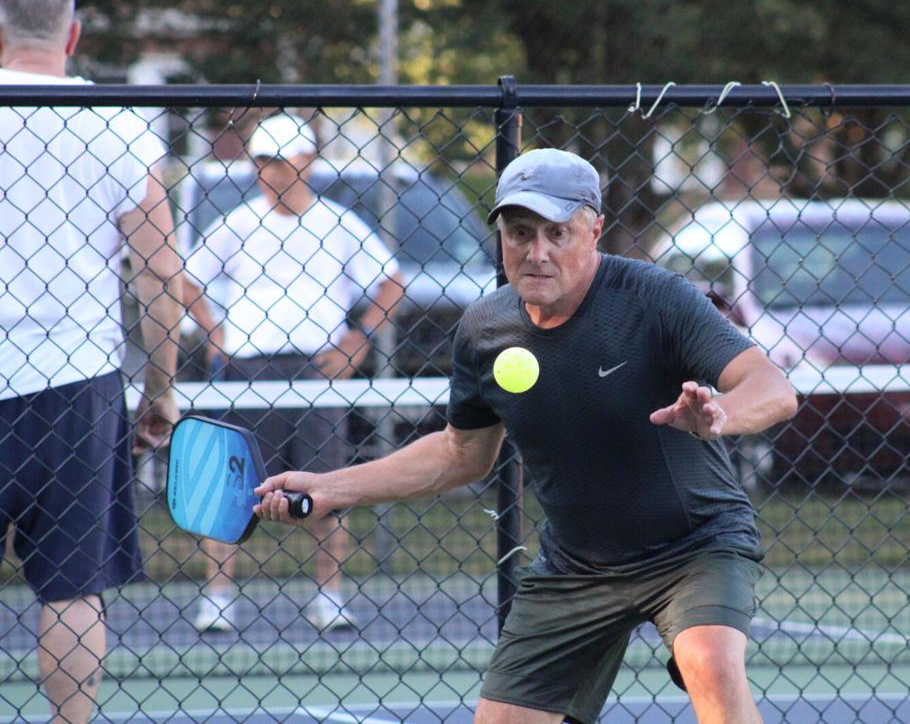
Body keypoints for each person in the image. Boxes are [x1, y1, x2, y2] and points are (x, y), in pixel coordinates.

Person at [256, 148, 799, 723]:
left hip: (694, 545)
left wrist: (721, 412)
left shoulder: (656, 298)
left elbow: (772, 387)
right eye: (519, 233)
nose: (536, 252)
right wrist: (331, 488)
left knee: (708, 660)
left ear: (594, 230)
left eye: (556, 233)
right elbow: (458, 454)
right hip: (578, 566)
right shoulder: (485, 329)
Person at [0, 0, 182, 724]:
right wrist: (161, 389)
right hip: (75, 377)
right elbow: (159, 271)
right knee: (73, 582)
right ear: (72, 35)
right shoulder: (116, 125)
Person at [183, 112, 405, 632]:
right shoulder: (237, 223)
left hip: (314, 371)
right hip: (246, 371)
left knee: (324, 488)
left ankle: (329, 597)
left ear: (306, 162)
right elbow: (186, 281)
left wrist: (358, 342)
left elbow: (390, 282)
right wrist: (213, 333)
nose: (270, 173)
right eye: (262, 162)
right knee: (230, 488)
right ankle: (217, 597)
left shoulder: (337, 223)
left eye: (279, 162)